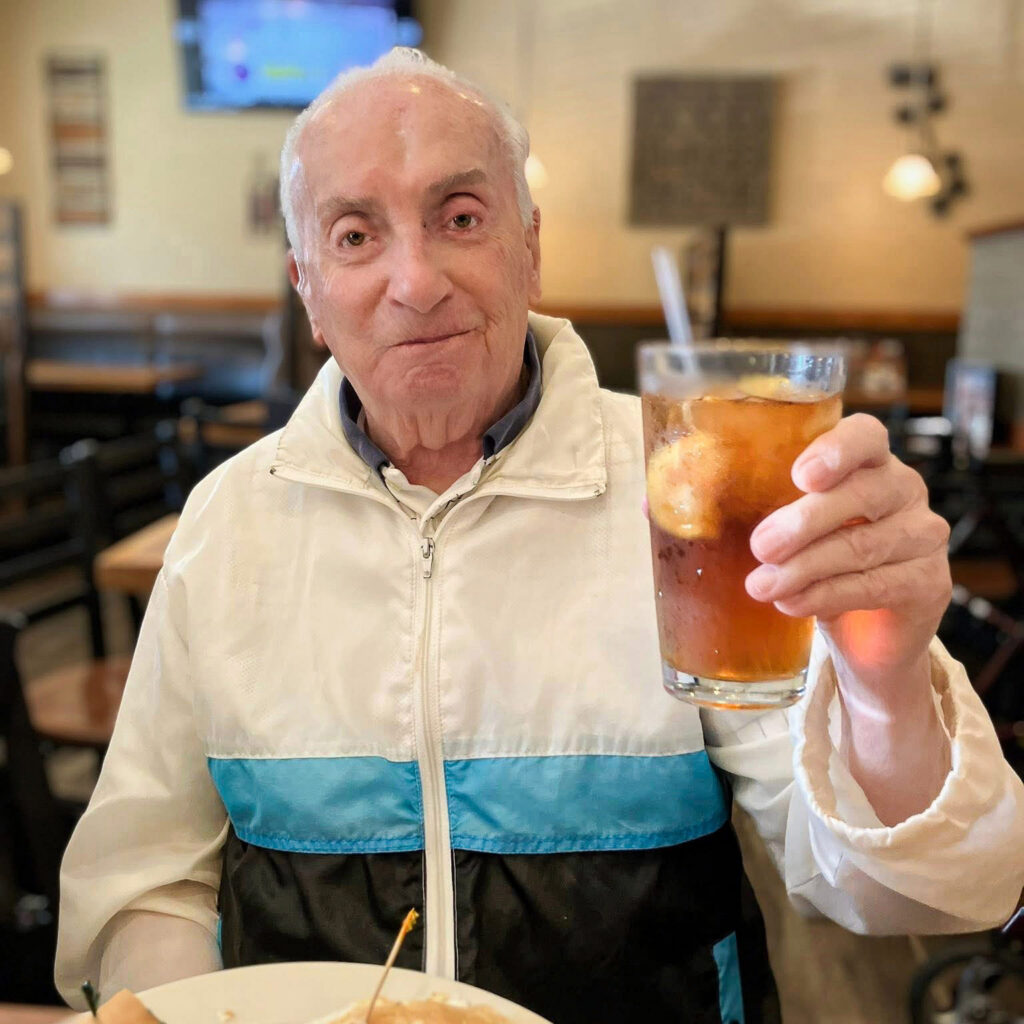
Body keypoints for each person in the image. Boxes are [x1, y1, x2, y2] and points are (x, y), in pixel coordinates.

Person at [56, 48, 1024, 1023]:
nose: (416, 280)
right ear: (307, 287)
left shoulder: (692, 496)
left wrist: (885, 682)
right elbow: (143, 881)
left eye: (460, 218)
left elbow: (920, 889)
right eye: (356, 235)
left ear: (530, 243)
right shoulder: (226, 526)